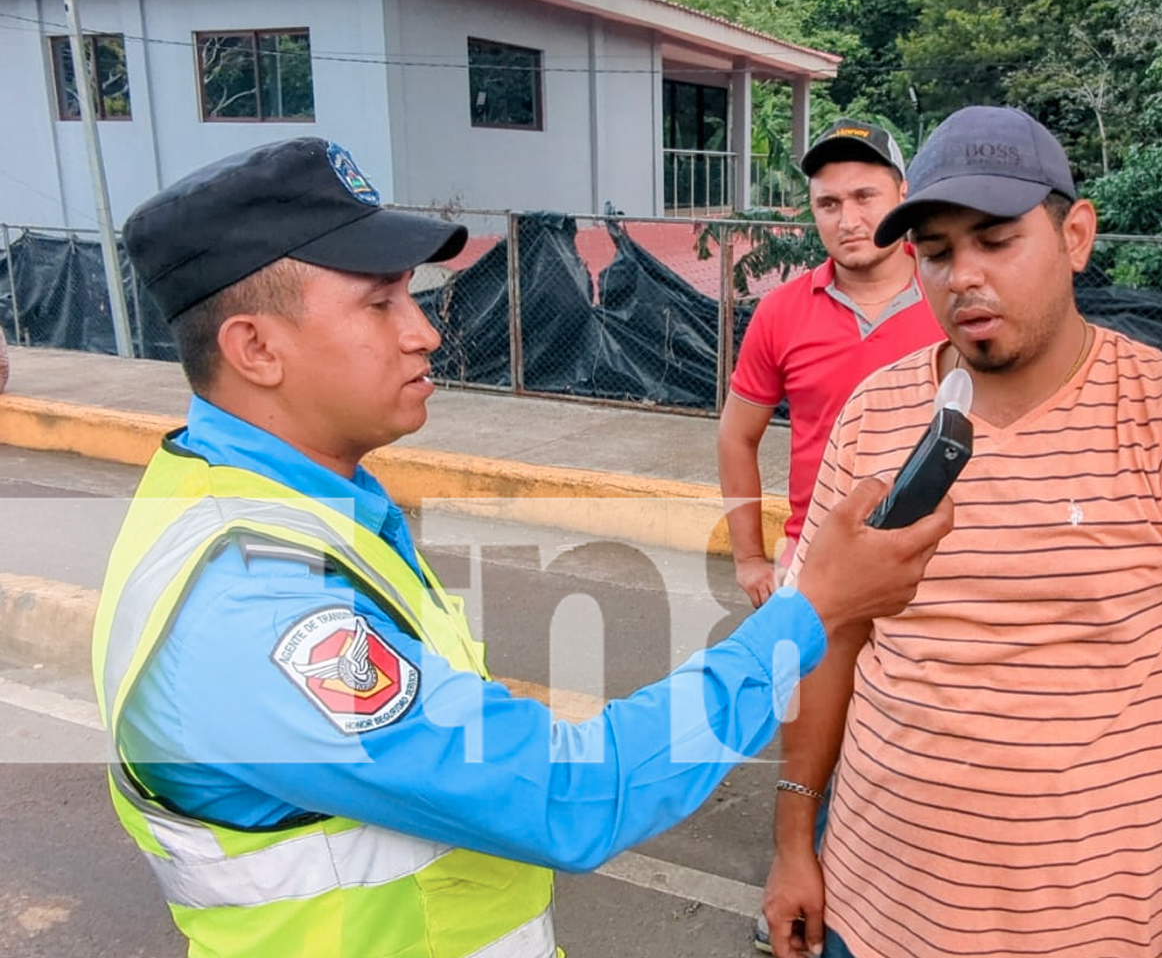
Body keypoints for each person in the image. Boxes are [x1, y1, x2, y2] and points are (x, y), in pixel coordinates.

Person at [94, 136, 953, 958]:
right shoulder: (257, 603)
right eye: (379, 301)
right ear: (256, 348)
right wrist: (812, 611)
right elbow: (573, 795)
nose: (424, 331)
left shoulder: (294, 506)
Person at [764, 106, 1162, 958]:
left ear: (1075, 235)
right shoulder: (874, 414)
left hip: (1101, 932)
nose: (963, 276)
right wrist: (795, 841)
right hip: (872, 916)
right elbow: (828, 640)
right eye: (936, 252)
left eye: (996, 239)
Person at [719, 118, 944, 608]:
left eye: (865, 197)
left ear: (902, 195)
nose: (848, 220)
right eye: (829, 204)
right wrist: (749, 558)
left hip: (938, 563)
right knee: (806, 688)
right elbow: (736, 435)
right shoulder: (780, 312)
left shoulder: (952, 298)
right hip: (816, 562)